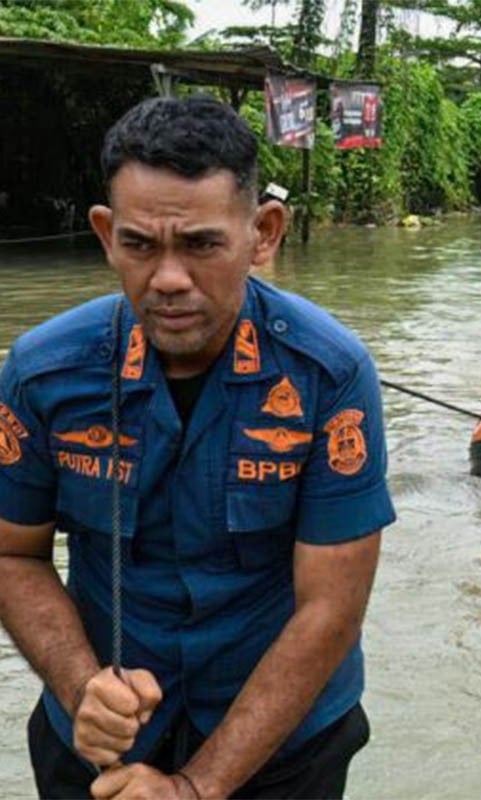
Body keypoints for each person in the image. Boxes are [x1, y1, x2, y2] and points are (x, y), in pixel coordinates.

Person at [0, 96, 396, 799]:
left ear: (263, 234)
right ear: (105, 235)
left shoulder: (329, 375)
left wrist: (194, 789)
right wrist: (83, 687)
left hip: (283, 748)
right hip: (97, 746)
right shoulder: (42, 372)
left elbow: (330, 609)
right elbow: (12, 552)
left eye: (202, 245)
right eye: (139, 245)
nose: (169, 280)